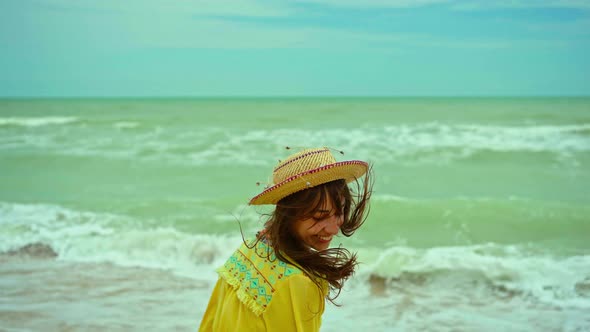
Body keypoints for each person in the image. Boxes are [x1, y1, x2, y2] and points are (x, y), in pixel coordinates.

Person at [199, 147, 372, 332]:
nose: (333, 227)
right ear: (290, 214)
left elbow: (209, 324)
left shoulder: (250, 249)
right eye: (319, 216)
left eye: (339, 212)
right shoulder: (297, 284)